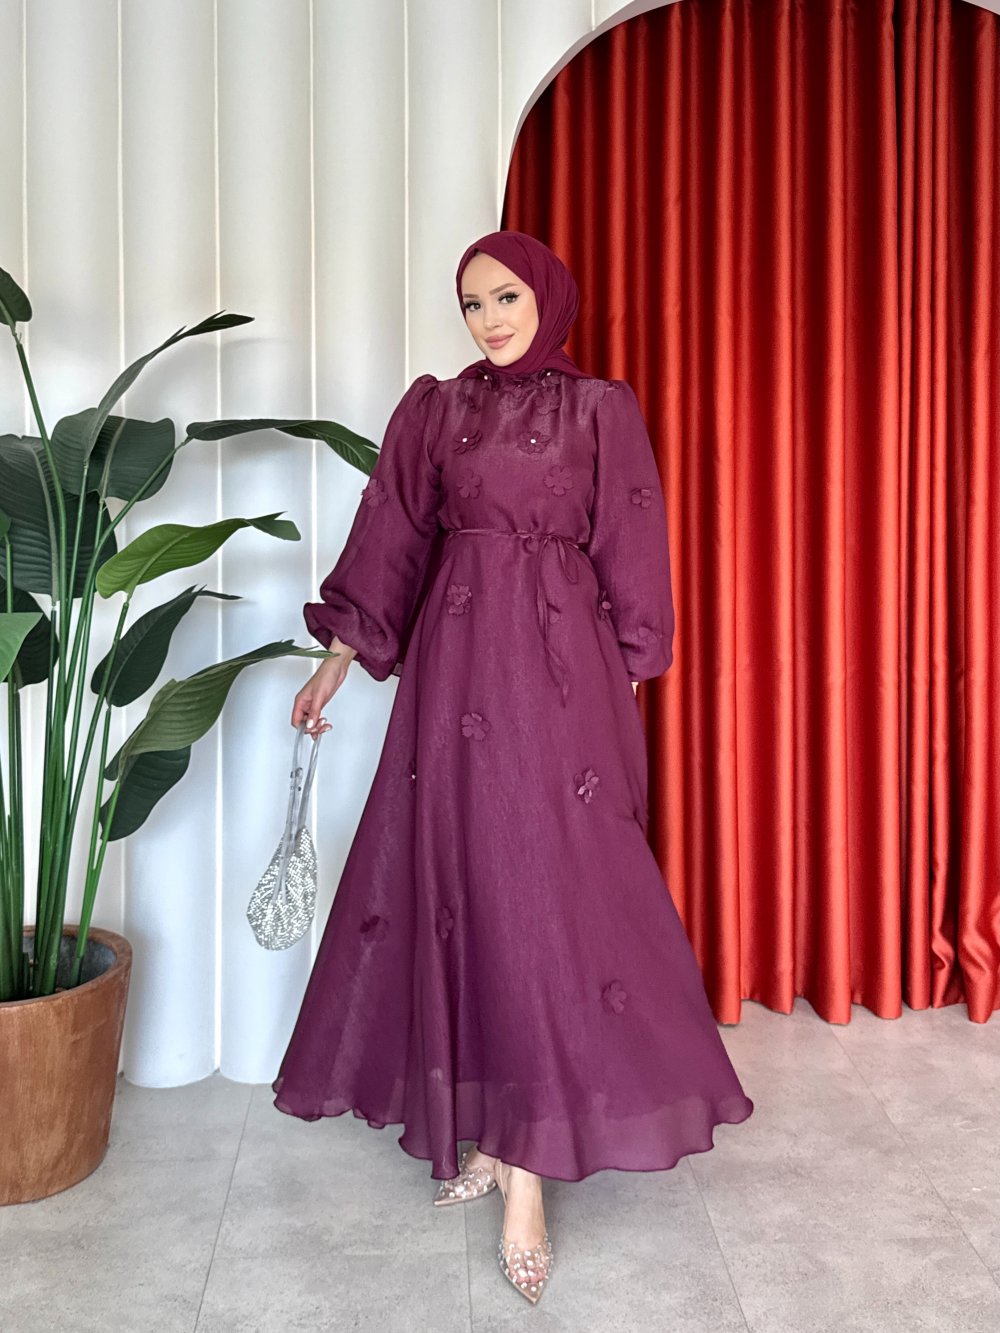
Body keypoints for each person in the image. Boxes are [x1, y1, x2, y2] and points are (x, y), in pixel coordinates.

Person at [274, 229, 754, 1305]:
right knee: (468, 893)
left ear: (545, 298)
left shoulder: (599, 410)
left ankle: (524, 1168)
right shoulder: (436, 409)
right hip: (453, 677)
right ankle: (496, 1142)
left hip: (562, 684)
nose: (489, 319)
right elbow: (393, 533)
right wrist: (337, 659)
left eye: (504, 298)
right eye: (471, 303)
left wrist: (627, 675)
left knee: (544, 898)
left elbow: (634, 543)